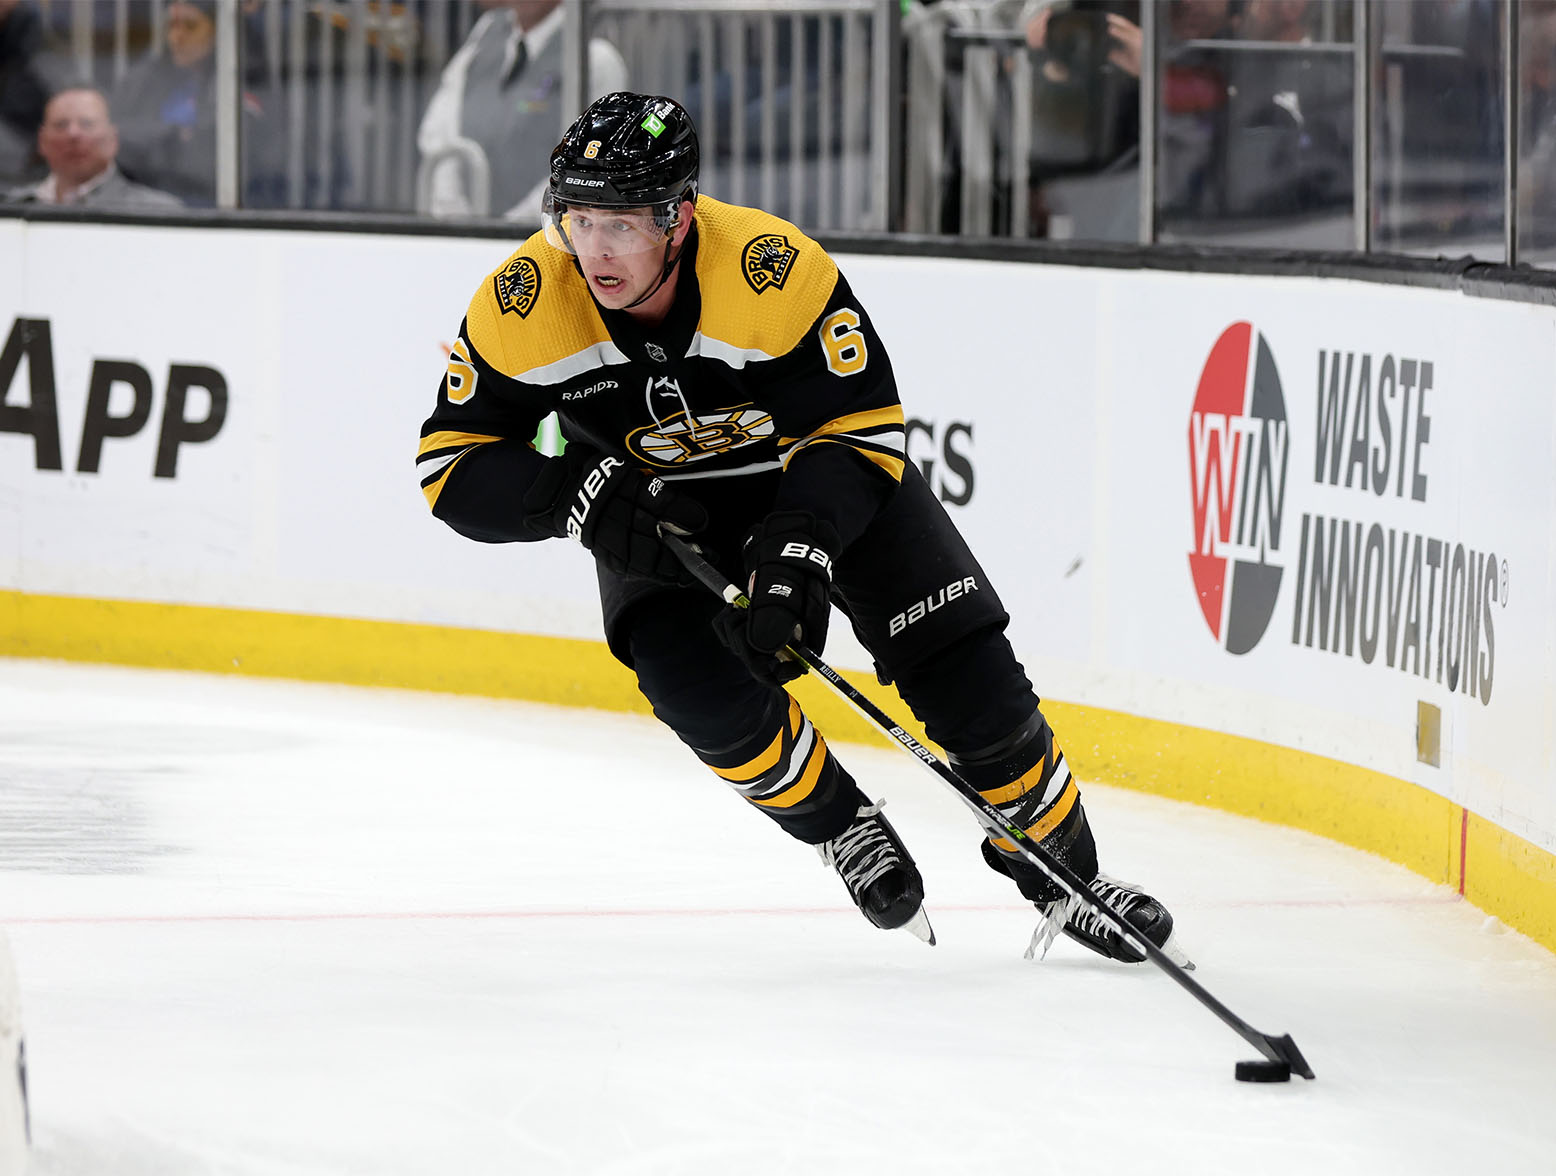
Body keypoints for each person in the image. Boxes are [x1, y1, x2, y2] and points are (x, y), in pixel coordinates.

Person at [415, 91, 1191, 964]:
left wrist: (800, 548)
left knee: (968, 678)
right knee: (694, 689)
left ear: (679, 217)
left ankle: (1064, 871)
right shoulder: (524, 302)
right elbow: (450, 464)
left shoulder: (772, 272)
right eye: (579, 219)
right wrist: (582, 495)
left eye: (624, 223)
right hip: (664, 518)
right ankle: (843, 827)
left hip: (821, 490)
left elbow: (859, 430)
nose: (596, 249)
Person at [417, 0, 628, 222]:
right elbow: (439, 131)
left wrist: (515, 225)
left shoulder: (594, 55)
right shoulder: (486, 32)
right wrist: (453, 210)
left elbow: (587, 163)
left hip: (540, 238)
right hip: (462, 232)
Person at [110, 0, 274, 207]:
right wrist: (177, 135)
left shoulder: (242, 82)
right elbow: (115, 137)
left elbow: (206, 159)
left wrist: (153, 140)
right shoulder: (144, 80)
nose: (176, 37)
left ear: (218, 32)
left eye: (190, 26)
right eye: (171, 26)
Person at [4, 86, 183, 210]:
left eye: (86, 124)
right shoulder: (11, 209)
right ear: (42, 142)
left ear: (112, 140)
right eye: (61, 125)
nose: (73, 134)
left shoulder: (158, 212)